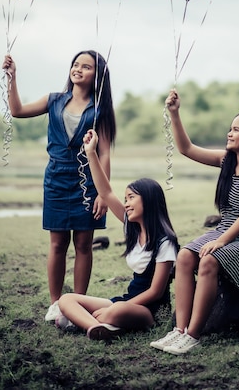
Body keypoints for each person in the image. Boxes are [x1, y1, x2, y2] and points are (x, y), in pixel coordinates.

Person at [150, 88, 239, 355]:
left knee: (209, 259)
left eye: (236, 130)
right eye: (229, 129)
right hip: (226, 228)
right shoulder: (226, 161)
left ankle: (193, 335)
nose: (229, 134)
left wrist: (220, 242)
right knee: (185, 256)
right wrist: (174, 113)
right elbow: (186, 149)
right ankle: (178, 330)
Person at [2, 50, 116, 322]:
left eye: (86, 67)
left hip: (88, 181)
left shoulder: (101, 109)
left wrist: (104, 193)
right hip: (55, 178)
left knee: (84, 244)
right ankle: (56, 304)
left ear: (96, 75)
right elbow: (17, 111)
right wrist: (12, 77)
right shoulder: (54, 100)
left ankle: (78, 303)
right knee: (57, 244)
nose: (78, 69)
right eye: (75, 65)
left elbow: (105, 154)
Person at [57, 128, 179, 340]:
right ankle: (96, 326)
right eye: (126, 199)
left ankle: (96, 321)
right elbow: (105, 192)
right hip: (127, 300)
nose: (126, 204)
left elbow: (156, 292)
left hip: (149, 310)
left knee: (115, 312)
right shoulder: (132, 228)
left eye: (131, 197)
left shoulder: (164, 242)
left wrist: (119, 307)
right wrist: (91, 152)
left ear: (148, 201)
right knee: (66, 299)